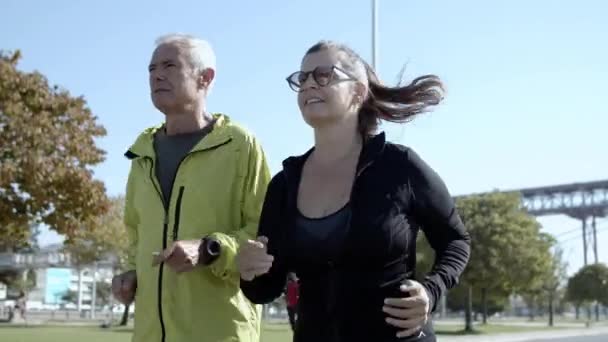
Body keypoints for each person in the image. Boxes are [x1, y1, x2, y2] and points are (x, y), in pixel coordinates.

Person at [237, 40, 471, 341]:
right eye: (302, 77)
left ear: (358, 92)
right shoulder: (284, 183)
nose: (308, 84)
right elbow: (265, 288)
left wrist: (431, 290)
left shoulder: (400, 166)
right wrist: (249, 270)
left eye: (323, 75)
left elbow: (456, 240)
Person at [111, 33, 271, 342]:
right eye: (151, 68)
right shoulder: (141, 153)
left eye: (170, 65)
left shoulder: (241, 145)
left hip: (221, 331)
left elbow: (264, 232)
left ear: (205, 78)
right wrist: (132, 273)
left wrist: (210, 249)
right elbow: (135, 234)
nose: (156, 75)